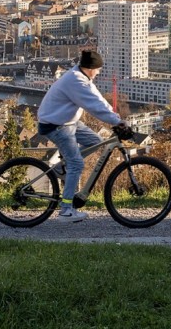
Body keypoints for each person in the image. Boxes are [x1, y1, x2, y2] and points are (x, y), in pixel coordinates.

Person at [37, 50, 126, 222]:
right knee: (77, 164)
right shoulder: (76, 81)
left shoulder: (82, 76)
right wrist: (118, 123)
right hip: (56, 124)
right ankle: (65, 210)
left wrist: (117, 119)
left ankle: (60, 168)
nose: (99, 72)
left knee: (96, 141)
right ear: (90, 68)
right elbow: (94, 106)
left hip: (68, 121)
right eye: (98, 69)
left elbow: (99, 100)